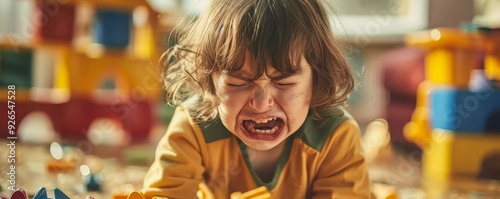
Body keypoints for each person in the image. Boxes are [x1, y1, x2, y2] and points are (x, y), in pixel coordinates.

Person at [142, 0, 370, 198]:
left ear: (317, 81)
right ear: (209, 80)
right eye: (238, 83)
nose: (261, 104)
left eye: (284, 83)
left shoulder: (335, 136)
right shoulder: (193, 128)